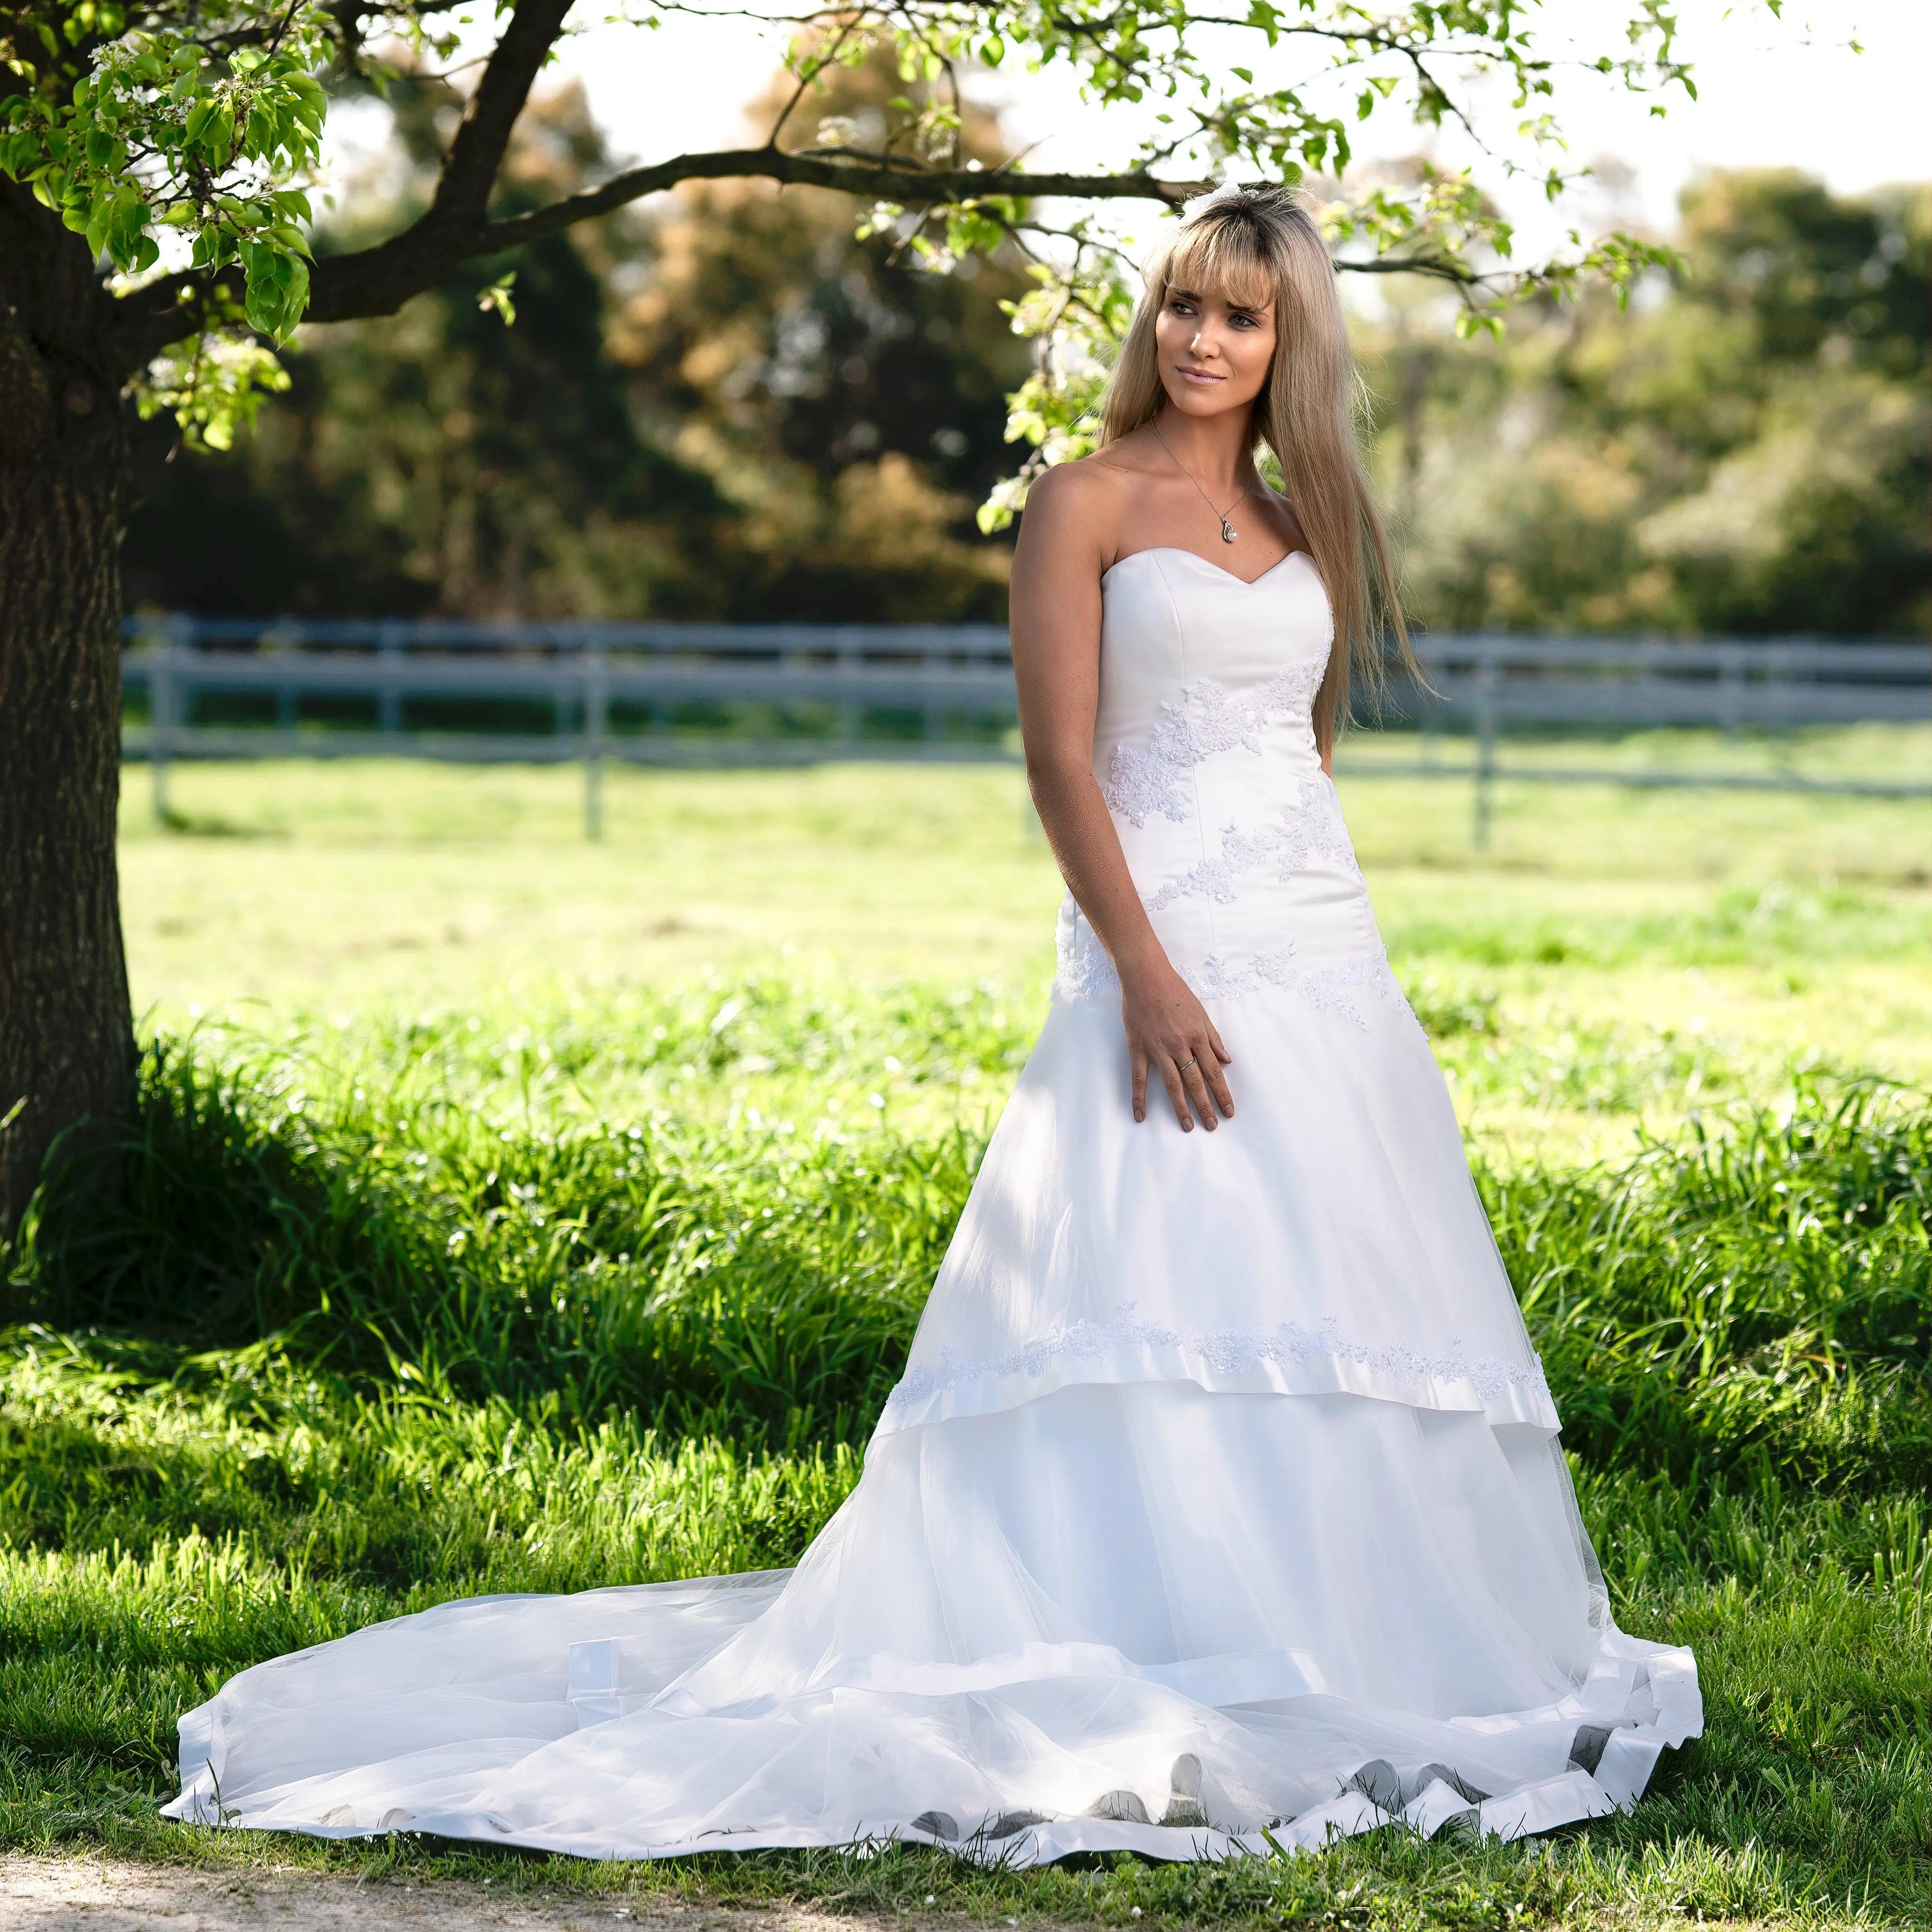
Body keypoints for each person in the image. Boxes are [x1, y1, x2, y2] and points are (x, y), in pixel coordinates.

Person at [165, 184, 1699, 1862]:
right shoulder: (1081, 505)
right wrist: (1149, 970)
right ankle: (1136, 1628)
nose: (1205, 338)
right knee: (1156, 1275)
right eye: (1185, 305)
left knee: (1340, 1287)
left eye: (1242, 317)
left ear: (1289, 343)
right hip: (1159, 954)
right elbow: (1062, 761)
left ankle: (1345, 1642)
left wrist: (1309, 943)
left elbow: (1298, 745)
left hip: (1320, 957)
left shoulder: (1309, 518)